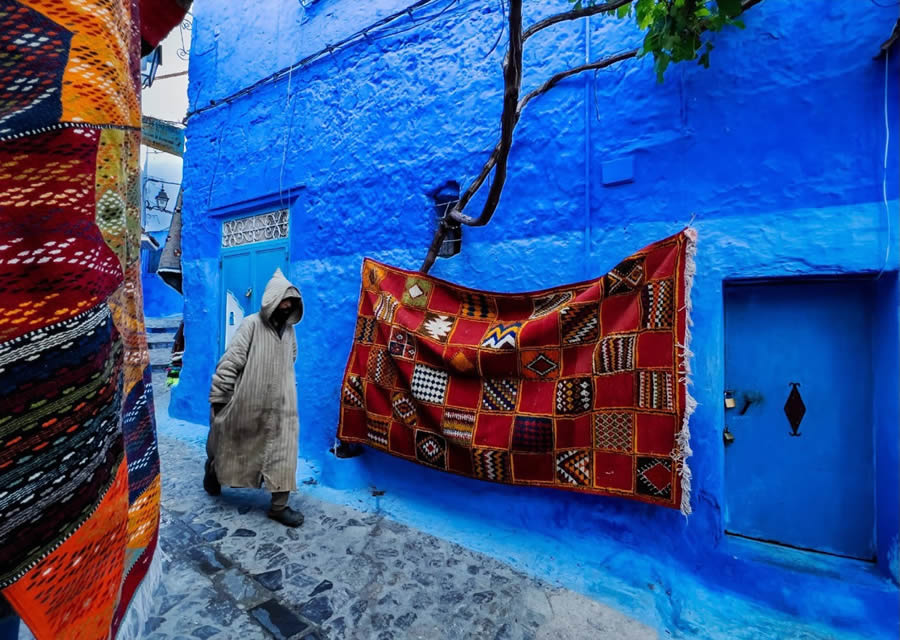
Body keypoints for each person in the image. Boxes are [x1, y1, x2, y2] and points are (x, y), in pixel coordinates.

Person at [205, 268, 305, 527]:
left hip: (283, 405)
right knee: (231, 443)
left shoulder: (290, 332)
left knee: (285, 450)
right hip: (249, 401)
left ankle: (279, 506)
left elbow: (290, 359)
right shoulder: (251, 325)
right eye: (283, 301)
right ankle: (214, 472)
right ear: (272, 300)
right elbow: (230, 362)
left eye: (291, 302)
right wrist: (220, 397)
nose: (287, 306)